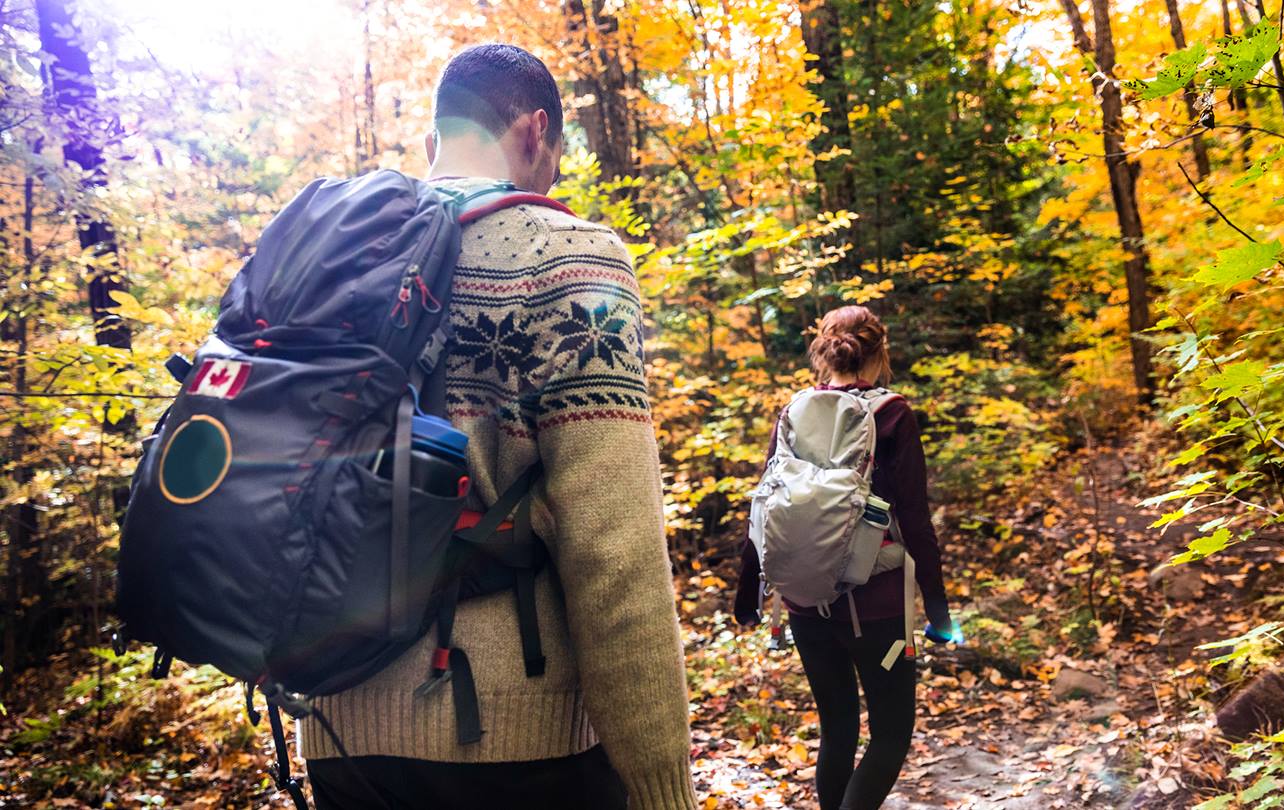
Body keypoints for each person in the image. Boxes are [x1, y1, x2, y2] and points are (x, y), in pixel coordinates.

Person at [301, 44, 698, 810]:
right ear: (534, 132)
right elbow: (614, 550)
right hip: (515, 742)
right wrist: (660, 778)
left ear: (431, 147)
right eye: (552, 158)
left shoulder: (342, 258)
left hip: (339, 734)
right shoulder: (572, 257)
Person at [735, 305, 952, 810]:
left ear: (824, 351)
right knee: (892, 734)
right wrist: (939, 612)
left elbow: (763, 506)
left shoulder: (794, 409)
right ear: (881, 352)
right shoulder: (891, 412)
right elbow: (915, 521)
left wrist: (748, 596)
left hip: (805, 604)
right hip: (875, 609)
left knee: (837, 732)